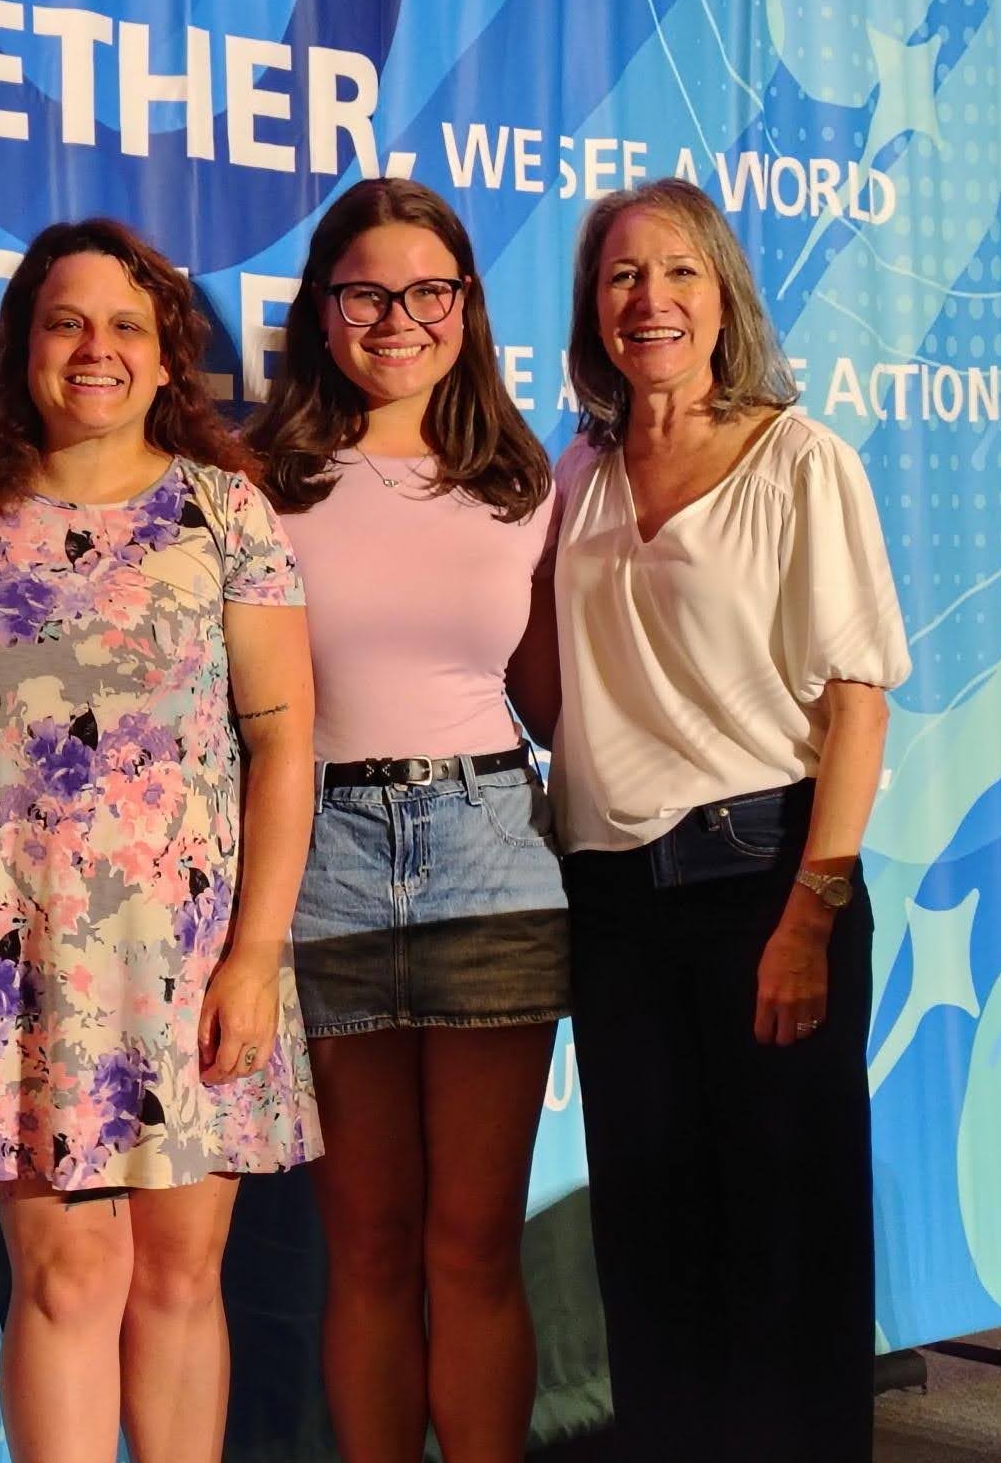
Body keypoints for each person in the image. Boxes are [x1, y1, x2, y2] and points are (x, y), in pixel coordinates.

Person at [0, 219, 323, 1463]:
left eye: (125, 327)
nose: (93, 348)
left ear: (167, 362)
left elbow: (282, 745)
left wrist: (254, 957)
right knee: (63, 1281)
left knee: (175, 1281)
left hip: (195, 957)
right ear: (20, 352)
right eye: (63, 321)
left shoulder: (224, 512)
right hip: (22, 967)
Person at [544, 177, 909, 1461]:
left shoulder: (802, 461)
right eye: (621, 277)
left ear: (723, 298)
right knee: (647, 1247)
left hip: (768, 884)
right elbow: (541, 683)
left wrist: (811, 910)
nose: (649, 299)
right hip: (612, 908)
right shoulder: (575, 476)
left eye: (679, 273)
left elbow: (857, 704)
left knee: (781, 1252)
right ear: (591, 309)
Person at [245, 178, 566, 1463]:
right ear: (323, 311)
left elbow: (549, 693)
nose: (398, 318)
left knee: (473, 1244)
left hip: (491, 854)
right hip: (318, 860)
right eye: (366, 292)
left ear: (466, 308)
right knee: (368, 1250)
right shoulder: (257, 479)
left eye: (427, 291)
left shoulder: (521, 481)